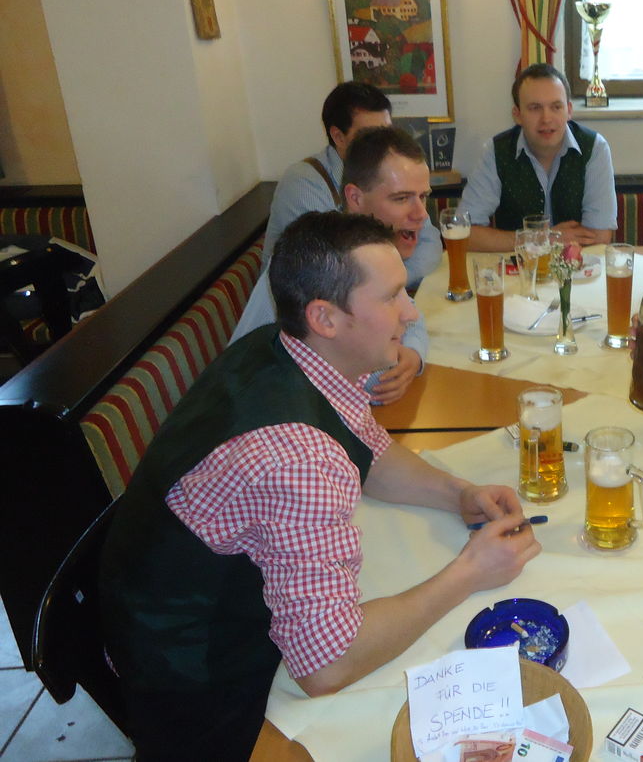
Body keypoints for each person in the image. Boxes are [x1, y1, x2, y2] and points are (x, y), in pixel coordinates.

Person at [100, 211, 540, 762]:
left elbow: (366, 448)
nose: (410, 312)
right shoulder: (298, 457)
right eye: (392, 297)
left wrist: (458, 494)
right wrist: (470, 572)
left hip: (185, 599)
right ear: (325, 317)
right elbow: (327, 665)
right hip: (189, 678)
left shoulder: (285, 347)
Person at [231, 126, 432, 404]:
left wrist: (414, 352)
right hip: (264, 410)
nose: (422, 214)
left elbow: (410, 314)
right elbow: (374, 383)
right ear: (355, 198)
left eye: (424, 196)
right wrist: (404, 353)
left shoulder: (365, 251)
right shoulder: (322, 261)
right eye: (401, 198)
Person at [262, 81, 442, 286]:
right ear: (338, 136)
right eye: (370, 135)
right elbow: (332, 274)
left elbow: (429, 243)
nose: (384, 144)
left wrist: (391, 282)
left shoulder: (396, 181)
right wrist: (387, 284)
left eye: (387, 132)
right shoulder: (303, 184)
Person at [460, 63, 617, 251]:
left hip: (577, 266)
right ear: (517, 115)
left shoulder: (595, 148)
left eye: (556, 107)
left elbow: (599, 236)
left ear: (569, 110)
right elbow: (465, 233)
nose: (546, 119)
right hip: (518, 267)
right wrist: (543, 239)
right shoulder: (496, 151)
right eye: (535, 108)